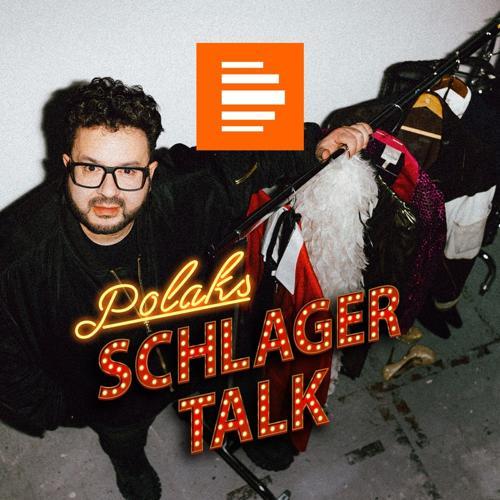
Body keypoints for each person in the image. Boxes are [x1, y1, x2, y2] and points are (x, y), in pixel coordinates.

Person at [0, 77, 371, 500]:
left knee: (217, 391)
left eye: (128, 171)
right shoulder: (17, 259)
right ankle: (129, 462)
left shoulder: (182, 192)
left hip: (194, 353)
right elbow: (7, 364)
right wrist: (69, 407)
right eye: (91, 168)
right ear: (67, 164)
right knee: (124, 434)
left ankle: (223, 423)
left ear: (150, 172)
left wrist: (317, 145)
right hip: (111, 392)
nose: (108, 191)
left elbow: (247, 156)